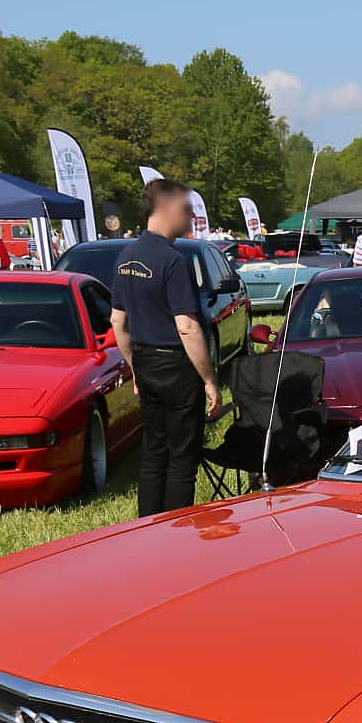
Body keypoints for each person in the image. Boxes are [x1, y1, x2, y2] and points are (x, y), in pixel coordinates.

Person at [111, 178, 222, 517]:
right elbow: (186, 326)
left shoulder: (126, 256)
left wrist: (135, 367)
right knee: (181, 457)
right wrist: (208, 379)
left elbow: (118, 322)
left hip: (145, 361)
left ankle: (146, 529)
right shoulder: (173, 261)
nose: (190, 218)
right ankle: (175, 535)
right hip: (176, 365)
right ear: (166, 208)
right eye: (187, 210)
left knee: (154, 452)